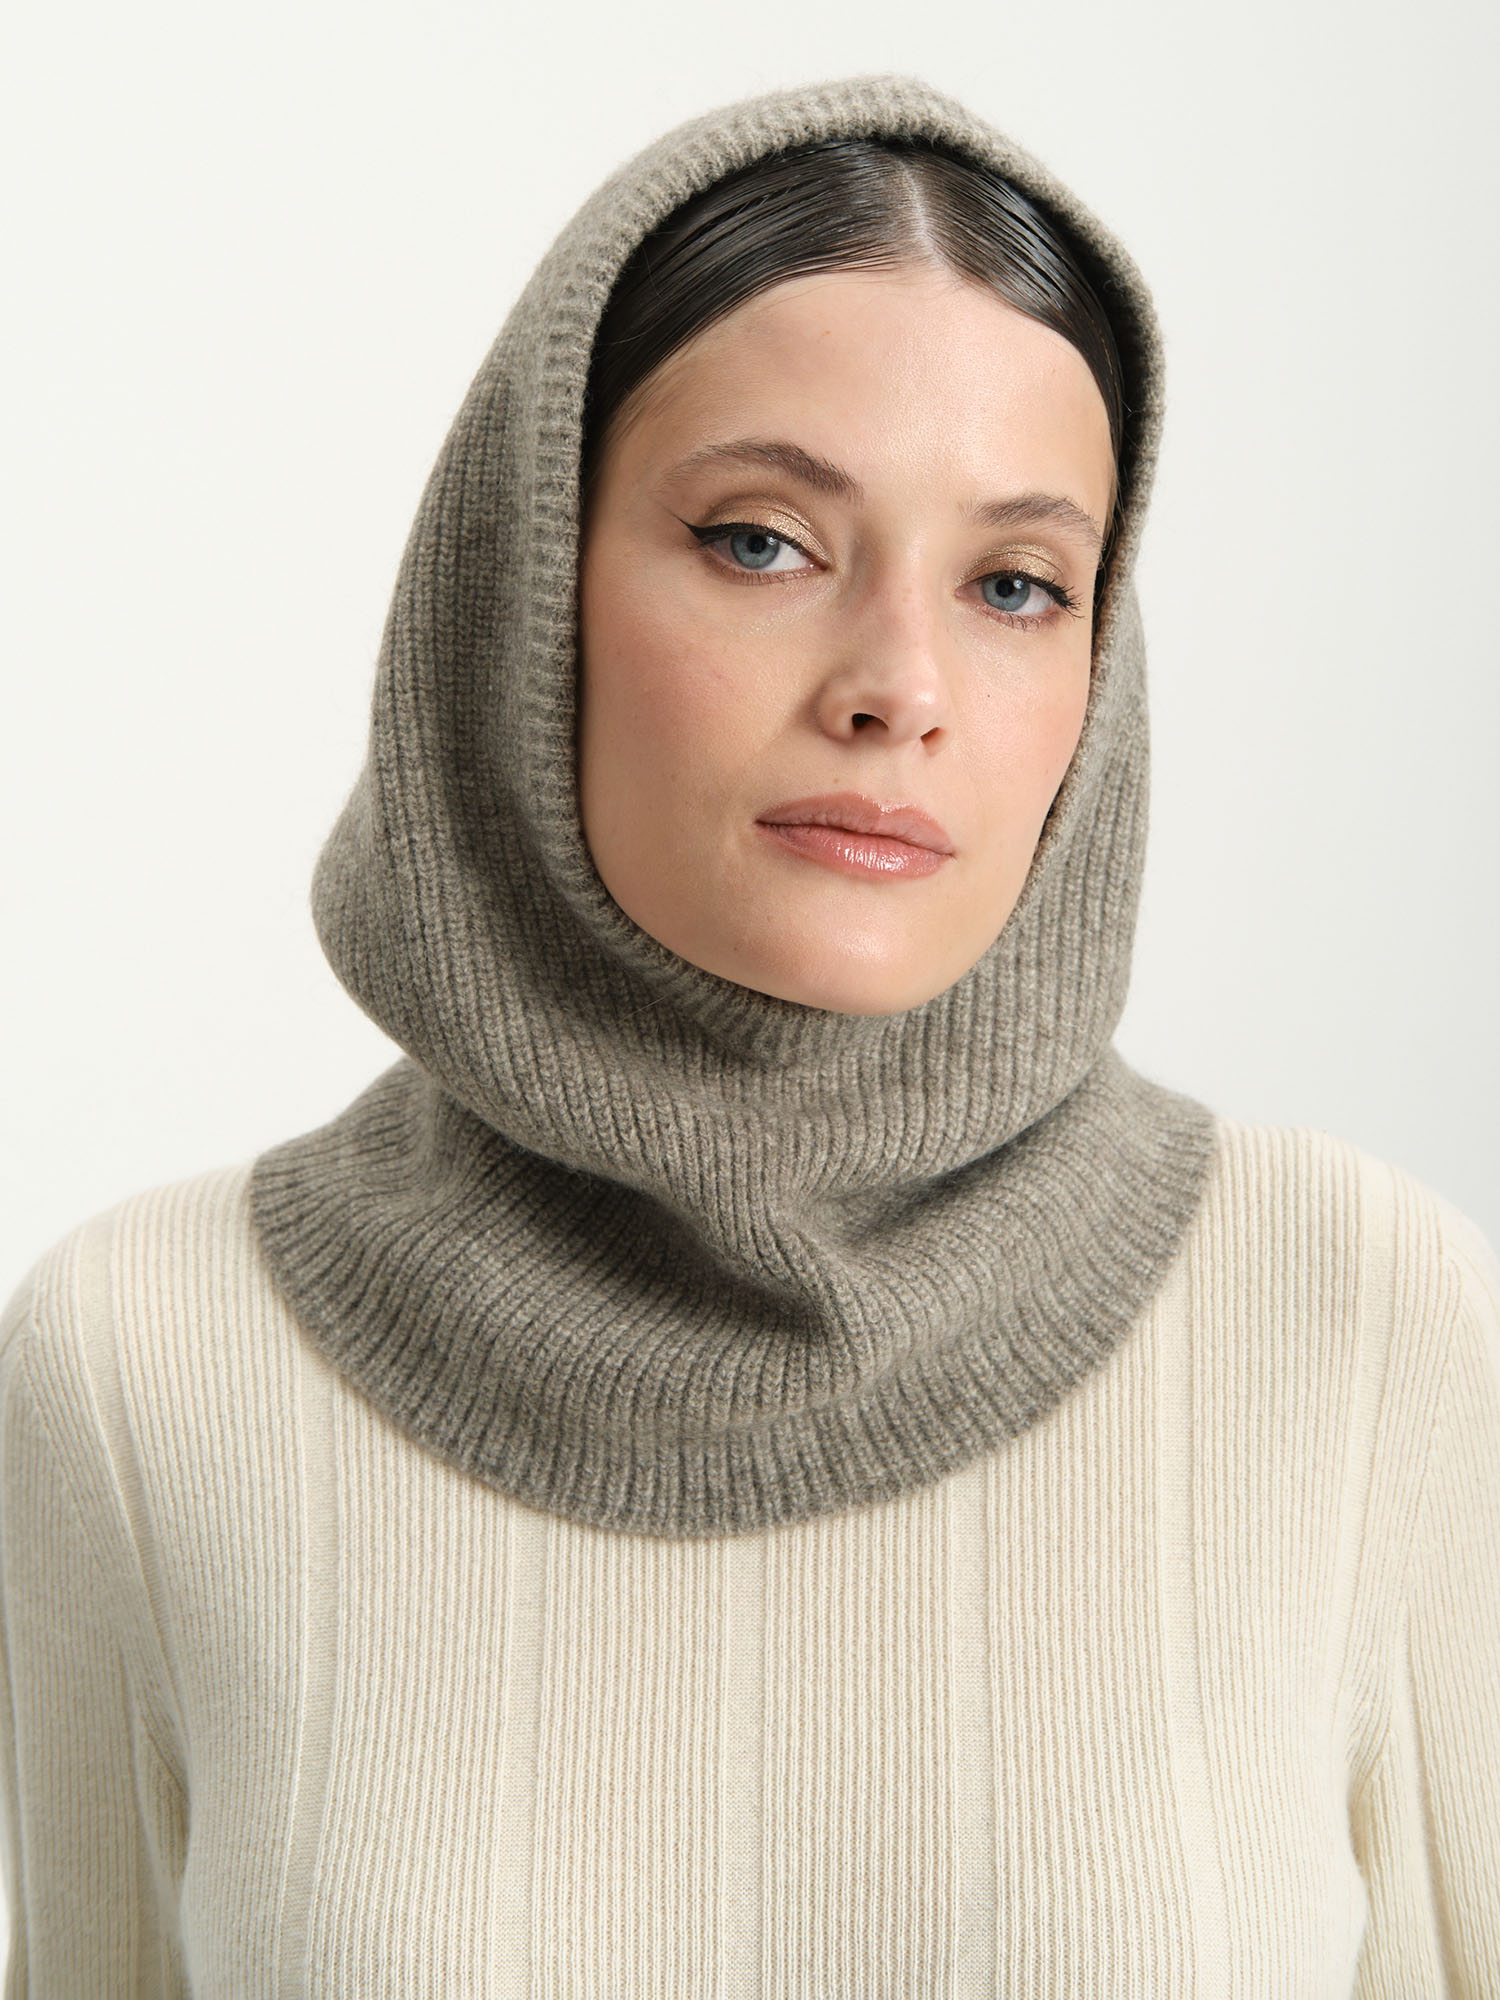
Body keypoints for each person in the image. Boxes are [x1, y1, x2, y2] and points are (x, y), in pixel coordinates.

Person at [1, 70, 1496, 1996]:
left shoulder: (1356, 1323)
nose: (900, 687)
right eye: (764, 542)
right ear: (527, 589)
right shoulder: (143, 1362)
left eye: (1017, 584)